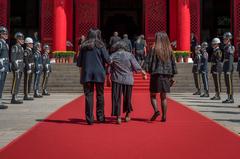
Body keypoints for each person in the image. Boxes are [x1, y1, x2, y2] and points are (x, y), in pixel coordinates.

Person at [77, 29, 111, 125]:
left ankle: (89, 118)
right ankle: (100, 117)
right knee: (100, 95)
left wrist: (81, 75)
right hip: (99, 73)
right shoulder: (101, 45)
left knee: (89, 96)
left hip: (87, 73)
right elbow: (108, 60)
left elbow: (79, 63)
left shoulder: (83, 47)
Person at [110, 40, 147, 124]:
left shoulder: (113, 55)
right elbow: (137, 66)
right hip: (128, 79)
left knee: (116, 98)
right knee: (127, 97)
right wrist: (143, 73)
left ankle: (118, 117)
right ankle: (127, 114)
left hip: (116, 79)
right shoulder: (130, 55)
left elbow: (109, 64)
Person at [148, 32, 177, 122]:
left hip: (156, 75)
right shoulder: (169, 50)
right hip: (166, 76)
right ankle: (164, 116)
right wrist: (172, 75)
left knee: (153, 95)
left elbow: (149, 61)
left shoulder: (154, 49)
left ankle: (156, 110)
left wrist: (148, 70)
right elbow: (173, 63)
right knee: (163, 96)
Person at [11, 32, 25, 104]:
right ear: (17, 40)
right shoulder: (15, 47)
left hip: (20, 67)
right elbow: (13, 59)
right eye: (21, 39)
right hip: (17, 67)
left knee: (18, 82)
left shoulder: (21, 48)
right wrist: (16, 67)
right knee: (15, 82)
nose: (22, 40)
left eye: (23, 39)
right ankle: (13, 97)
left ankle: (16, 96)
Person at [222, 32, 235, 103]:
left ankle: (231, 98)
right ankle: (228, 97)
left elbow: (230, 59)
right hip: (226, 66)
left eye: (225, 39)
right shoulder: (226, 47)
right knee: (227, 83)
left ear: (228, 39)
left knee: (229, 83)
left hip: (229, 67)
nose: (224, 40)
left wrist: (229, 69)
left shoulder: (231, 47)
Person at [0, 26, 10, 109]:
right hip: (1, 67)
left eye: (6, 33)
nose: (6, 35)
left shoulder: (5, 44)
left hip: (5, 67)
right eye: (4, 33)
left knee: (2, 84)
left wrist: (7, 67)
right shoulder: (0, 43)